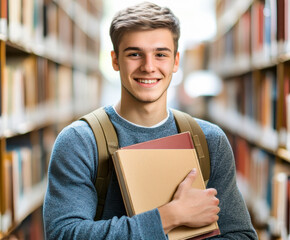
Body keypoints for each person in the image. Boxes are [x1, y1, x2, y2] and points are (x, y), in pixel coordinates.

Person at [43, 2, 258, 239]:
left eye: (160, 54)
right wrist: (169, 217)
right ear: (115, 60)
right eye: (134, 54)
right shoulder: (79, 142)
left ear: (176, 61)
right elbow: (63, 234)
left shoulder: (209, 141)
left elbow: (241, 235)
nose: (148, 66)